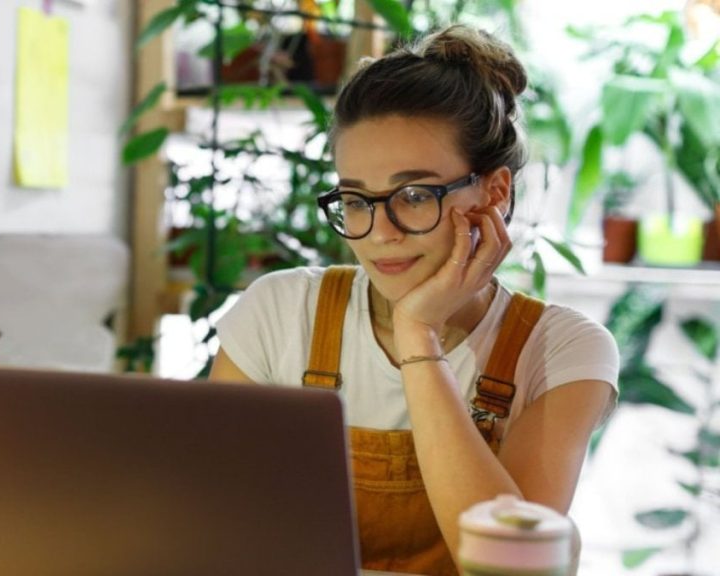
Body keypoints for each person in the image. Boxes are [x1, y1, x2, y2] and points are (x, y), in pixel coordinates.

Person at [209, 23, 619, 575]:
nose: (379, 232)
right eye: (356, 199)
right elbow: (212, 528)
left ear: (494, 191)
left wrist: (418, 337)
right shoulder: (281, 312)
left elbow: (512, 571)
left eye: (414, 195)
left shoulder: (562, 351)